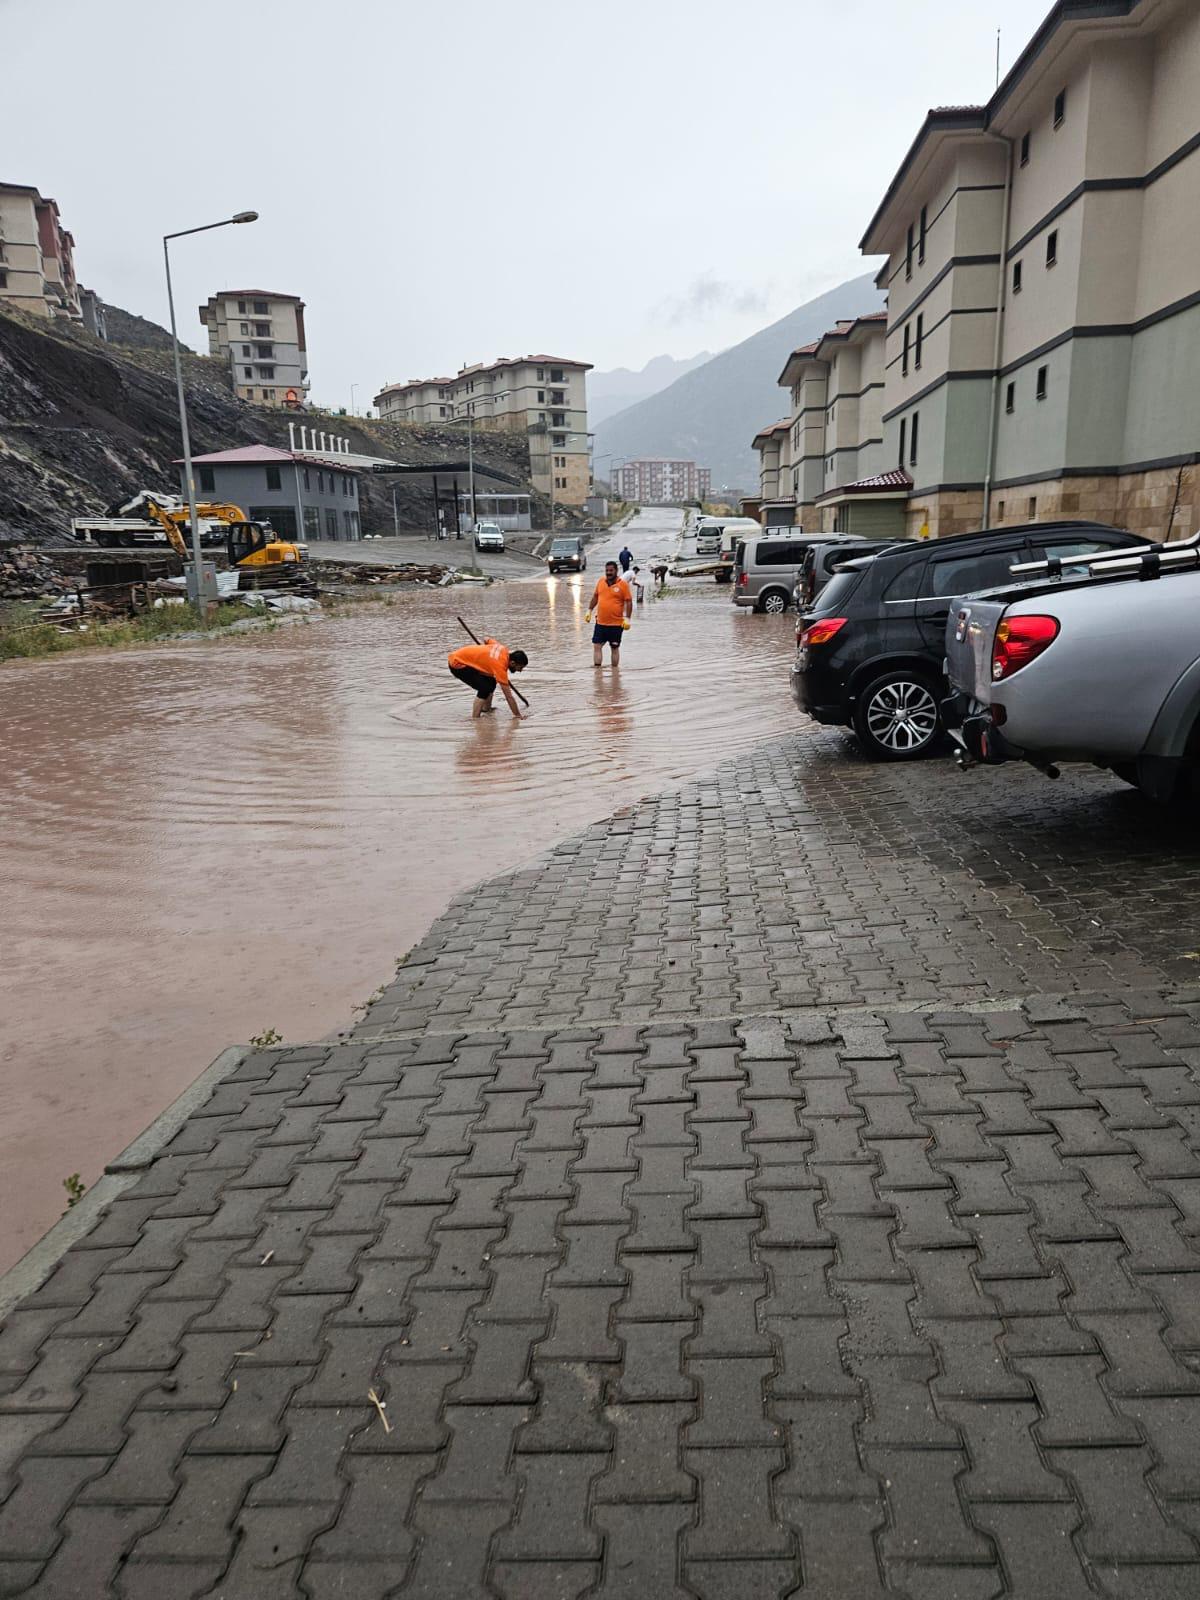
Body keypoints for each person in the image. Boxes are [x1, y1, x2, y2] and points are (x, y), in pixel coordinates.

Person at [447, 636, 528, 719]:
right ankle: (475, 718)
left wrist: (485, 653)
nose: (520, 670)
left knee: (492, 682)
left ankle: (486, 709)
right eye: (520, 667)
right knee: (484, 688)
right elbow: (509, 697)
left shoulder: (502, 648)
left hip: (461, 658)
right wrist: (517, 715)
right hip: (457, 664)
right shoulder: (500, 667)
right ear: (513, 663)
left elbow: (486, 639)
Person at [585, 560, 633, 667]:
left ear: (616, 571)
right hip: (601, 623)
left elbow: (629, 602)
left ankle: (615, 673)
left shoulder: (623, 585)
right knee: (597, 646)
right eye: (607, 570)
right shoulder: (601, 581)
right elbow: (595, 596)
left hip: (616, 624)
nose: (608, 573)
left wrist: (627, 619)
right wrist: (589, 610)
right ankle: (597, 671)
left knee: (614, 648)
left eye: (611, 570)